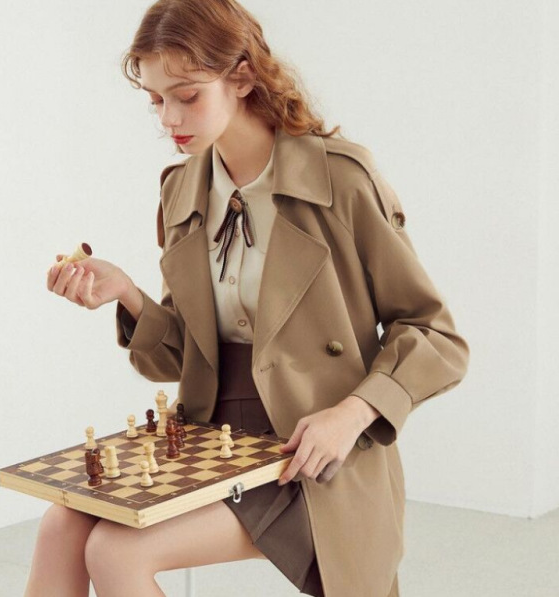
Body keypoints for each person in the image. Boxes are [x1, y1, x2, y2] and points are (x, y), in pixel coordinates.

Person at [27, 1, 470, 596]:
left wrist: (351, 414)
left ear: (241, 76)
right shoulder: (182, 190)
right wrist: (127, 294)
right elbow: (179, 360)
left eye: (187, 95)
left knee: (114, 550)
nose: (169, 118)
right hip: (211, 439)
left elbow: (437, 336)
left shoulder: (339, 179)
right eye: (156, 100)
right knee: (60, 525)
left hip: (311, 451)